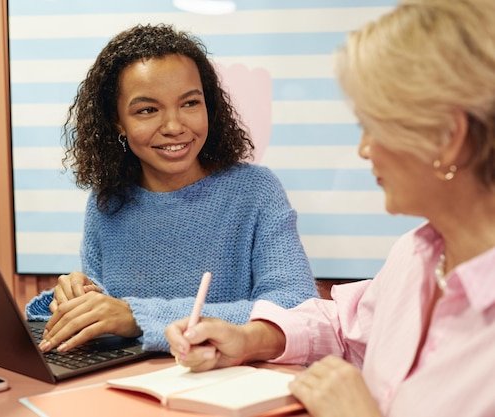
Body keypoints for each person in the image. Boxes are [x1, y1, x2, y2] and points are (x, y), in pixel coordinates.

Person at [165, 1, 495, 416]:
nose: (364, 150)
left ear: (449, 137)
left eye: (374, 125)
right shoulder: (417, 254)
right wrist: (250, 339)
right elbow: (346, 327)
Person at [27, 23, 318, 353]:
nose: (174, 126)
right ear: (117, 121)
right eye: (147, 110)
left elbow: (294, 310)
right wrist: (81, 300)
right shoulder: (107, 202)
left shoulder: (255, 191)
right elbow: (111, 324)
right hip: (131, 386)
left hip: (227, 387)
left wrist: (138, 316)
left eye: (190, 103)